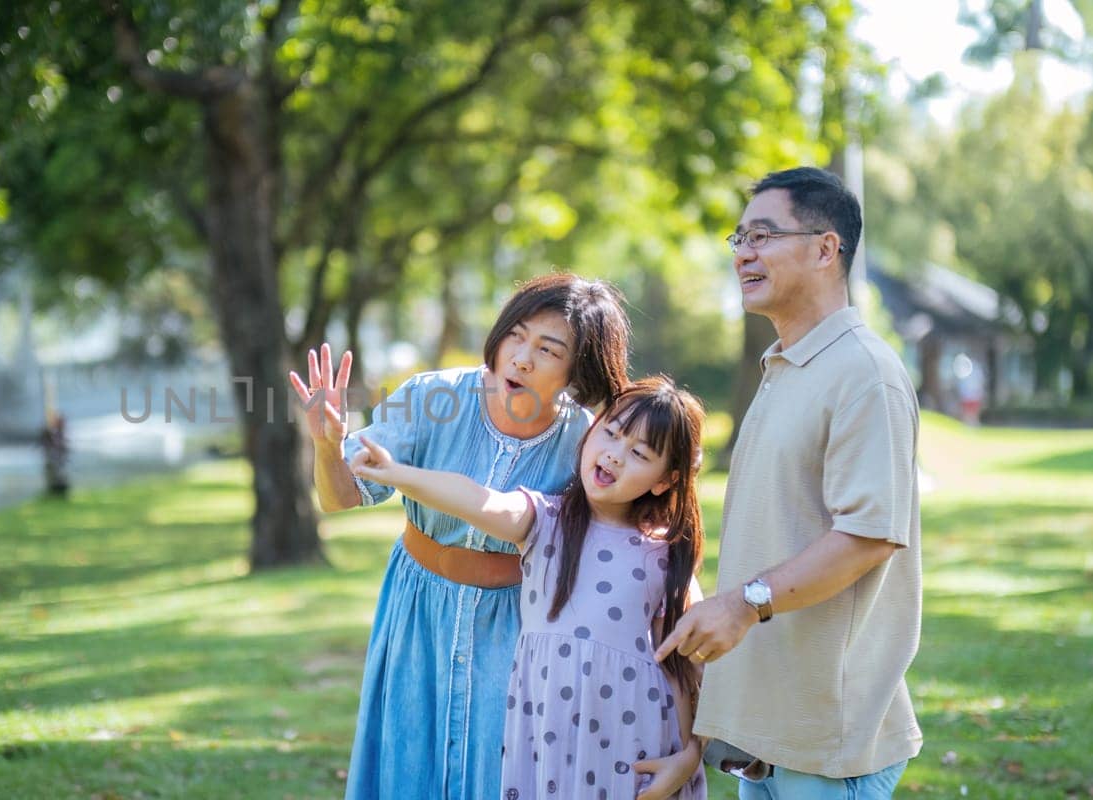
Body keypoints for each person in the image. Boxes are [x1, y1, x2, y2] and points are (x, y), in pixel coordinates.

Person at [290, 272, 631, 800]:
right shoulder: (431, 397)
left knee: (498, 772)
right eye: (515, 335)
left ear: (577, 371)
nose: (521, 357)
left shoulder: (586, 439)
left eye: (547, 349)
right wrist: (326, 446)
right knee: (409, 759)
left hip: (520, 621)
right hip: (418, 609)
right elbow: (340, 497)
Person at [655, 167, 923, 797]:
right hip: (771, 740)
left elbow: (868, 537)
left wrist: (743, 603)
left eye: (764, 235)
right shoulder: (787, 366)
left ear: (825, 248)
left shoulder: (864, 373)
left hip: (830, 746)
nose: (743, 253)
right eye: (739, 239)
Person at [349, 376, 708, 800]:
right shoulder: (544, 521)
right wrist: (399, 474)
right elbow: (476, 499)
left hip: (633, 746)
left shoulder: (663, 553)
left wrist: (689, 755)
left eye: (639, 453)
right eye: (611, 432)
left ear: (665, 481)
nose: (614, 455)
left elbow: (683, 663)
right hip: (545, 744)